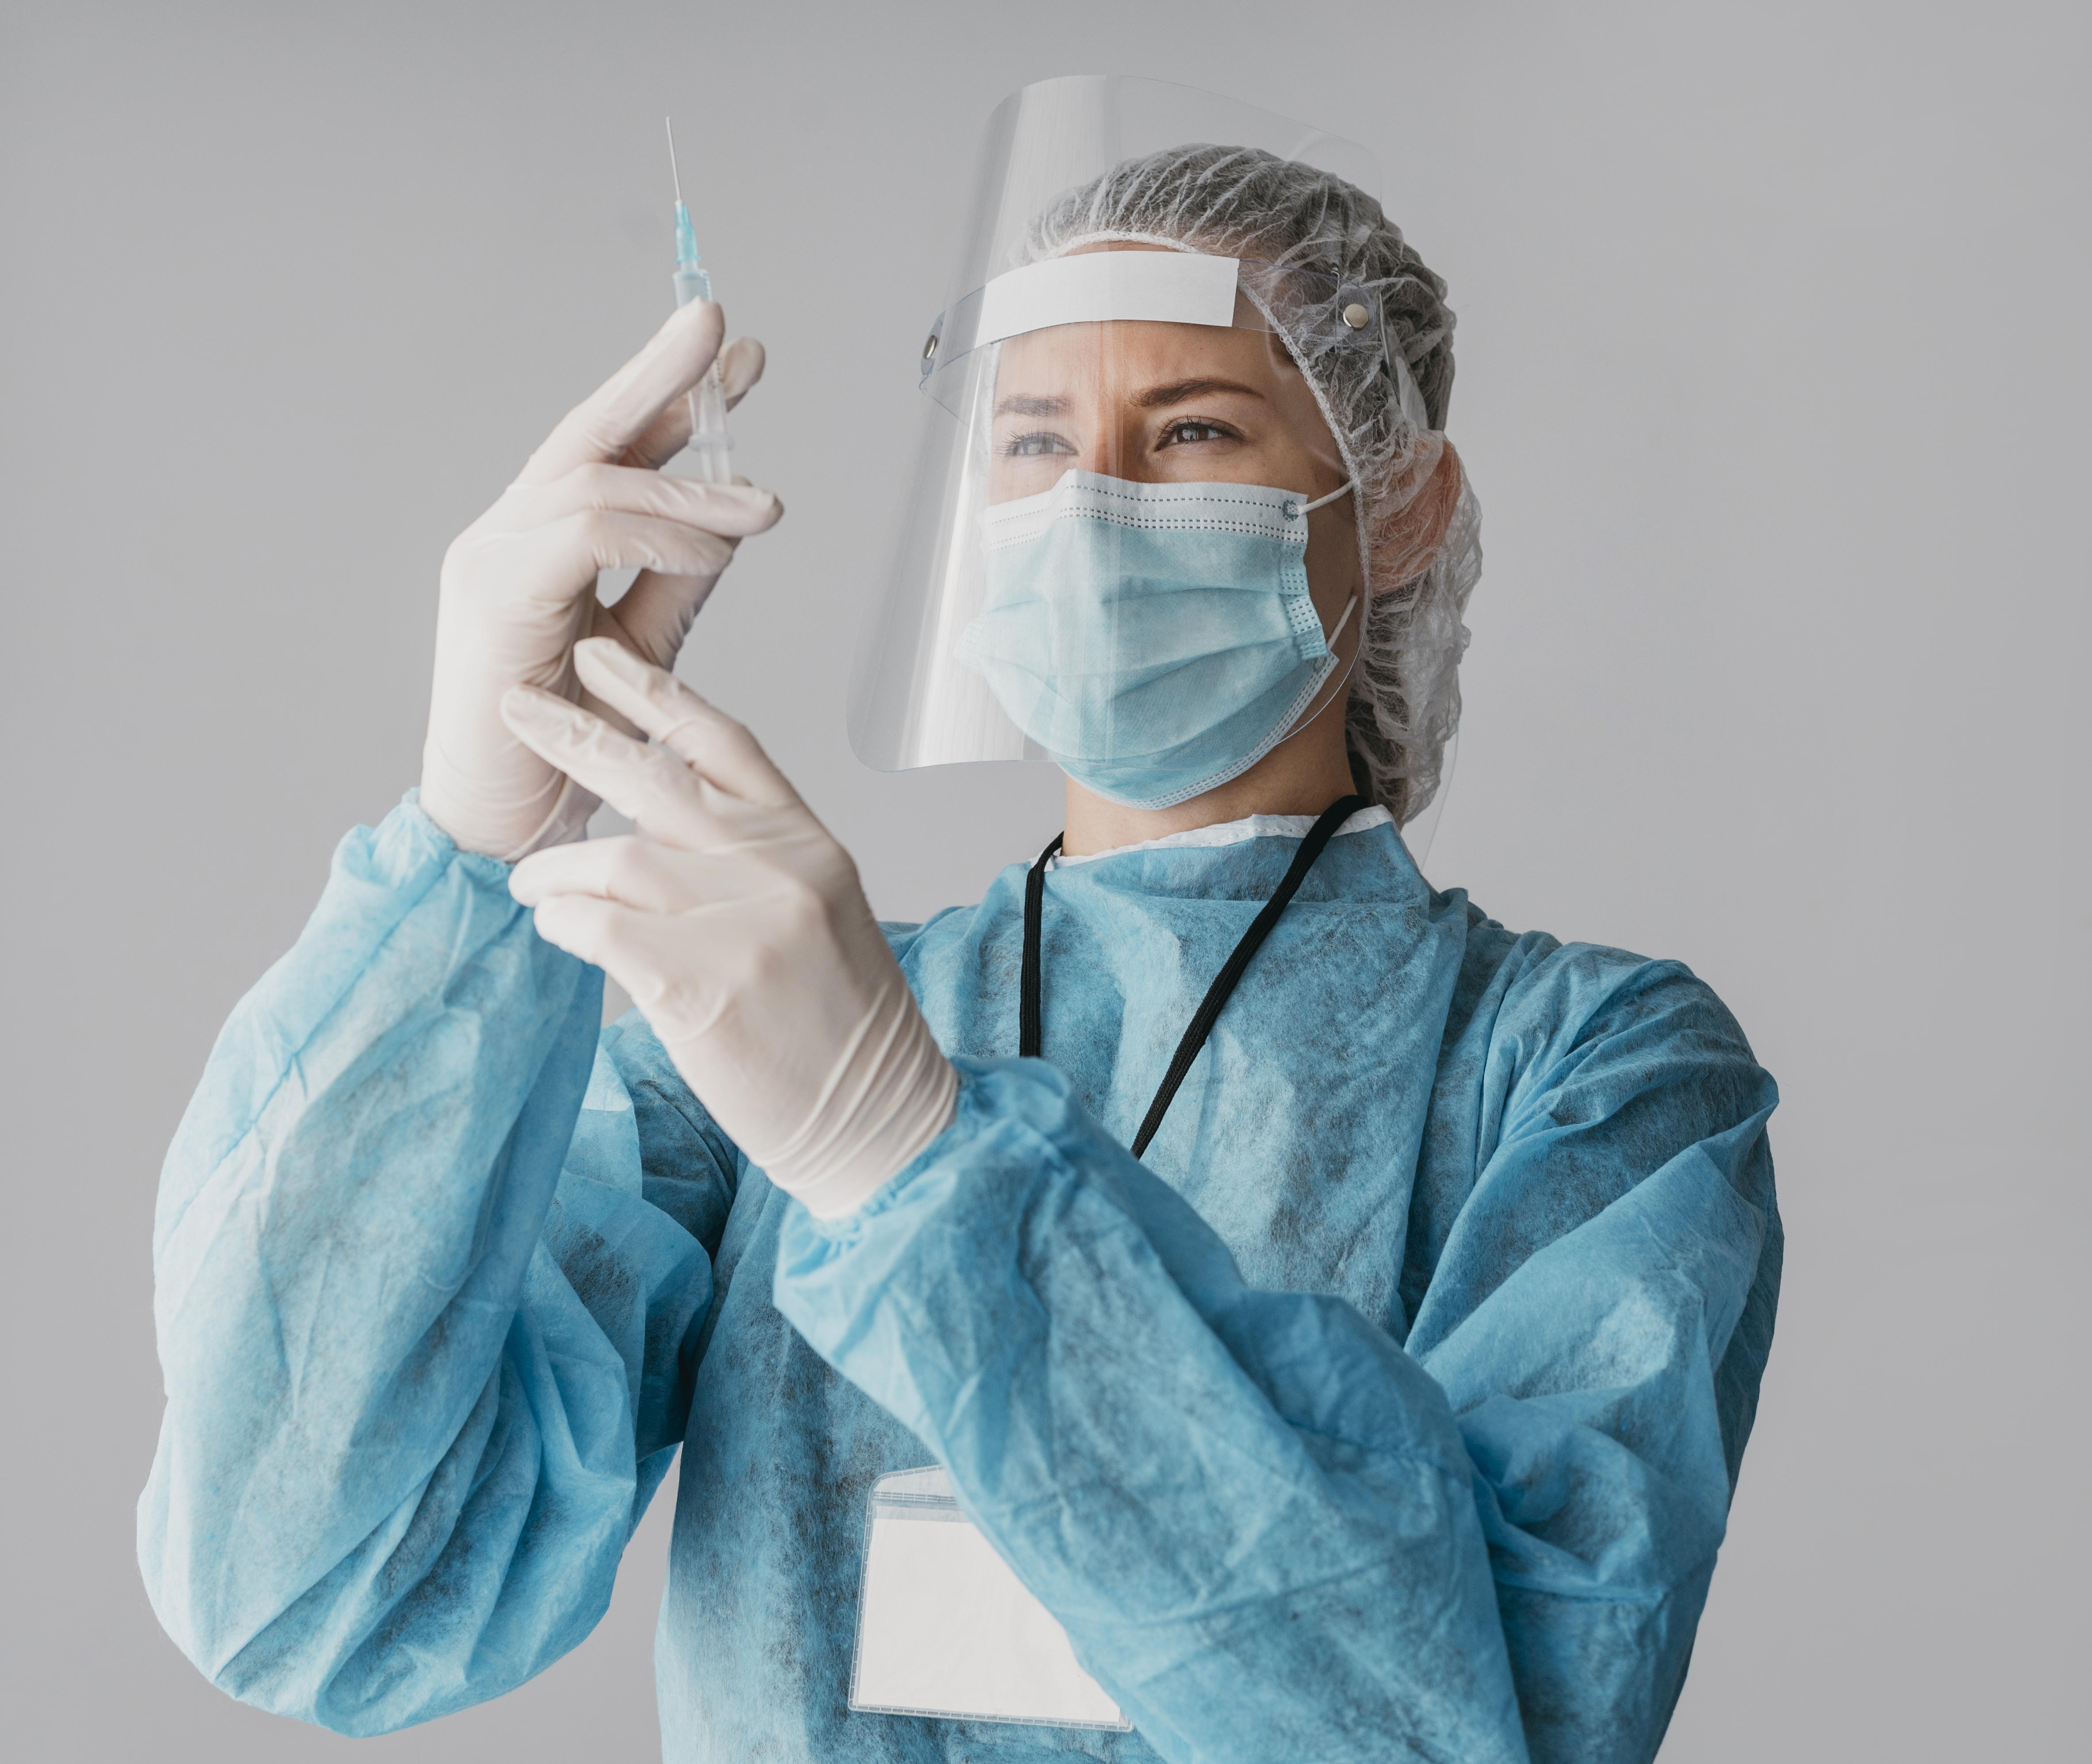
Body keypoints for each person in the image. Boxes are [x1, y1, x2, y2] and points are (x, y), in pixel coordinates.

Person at [139, 86, 1780, 1764]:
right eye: (1036, 442)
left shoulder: (1594, 1074)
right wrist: (479, 848)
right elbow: (311, 1590)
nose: (1089, 505)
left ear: (1404, 506)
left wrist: (918, 1168)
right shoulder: (778, 1038)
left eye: (1195, 432)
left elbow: (1482, 1726)